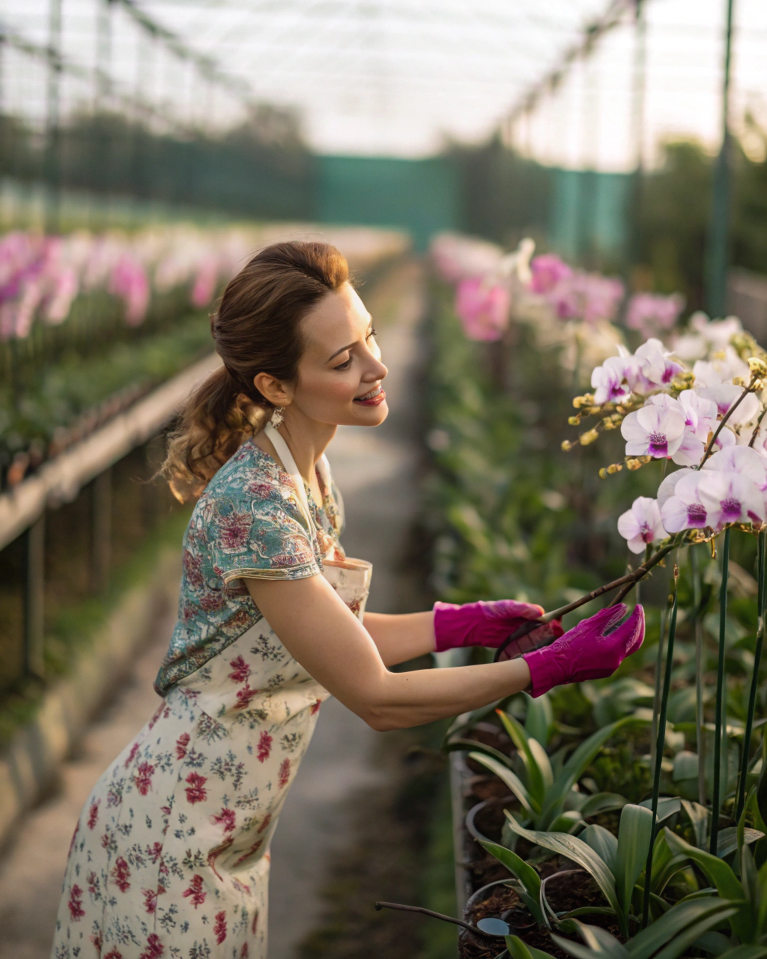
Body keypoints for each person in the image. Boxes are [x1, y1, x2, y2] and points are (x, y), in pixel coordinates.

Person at [50, 241, 644, 959]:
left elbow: (334, 638)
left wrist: (458, 623)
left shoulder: (307, 475)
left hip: (228, 835)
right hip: (168, 845)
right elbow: (374, 695)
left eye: (368, 337)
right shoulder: (256, 510)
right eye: (343, 360)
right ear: (274, 384)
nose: (377, 366)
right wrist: (542, 669)